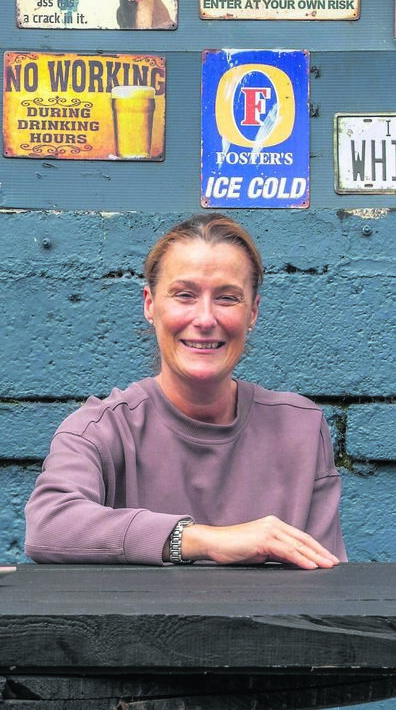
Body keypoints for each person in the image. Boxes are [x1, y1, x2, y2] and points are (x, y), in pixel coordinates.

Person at [25, 213, 347, 568]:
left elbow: (325, 579)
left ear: (253, 313)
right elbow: (49, 525)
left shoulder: (300, 429)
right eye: (184, 295)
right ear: (150, 304)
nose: (205, 319)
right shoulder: (100, 430)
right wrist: (200, 540)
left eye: (227, 298)